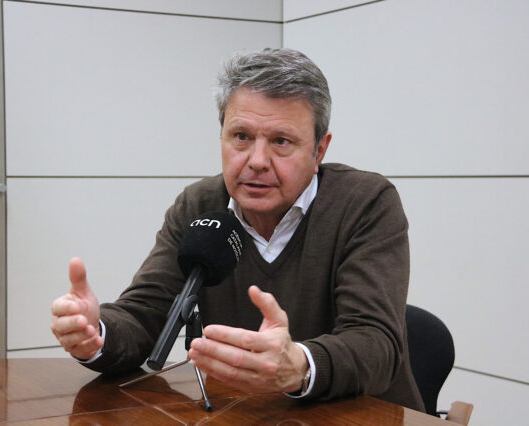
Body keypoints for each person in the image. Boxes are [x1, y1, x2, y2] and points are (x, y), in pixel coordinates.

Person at [50, 48, 424, 410]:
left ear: (319, 151)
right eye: (241, 136)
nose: (257, 161)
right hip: (242, 414)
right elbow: (145, 312)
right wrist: (96, 332)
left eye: (281, 141)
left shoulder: (365, 203)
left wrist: (299, 365)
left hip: (364, 416)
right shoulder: (199, 206)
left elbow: (376, 342)